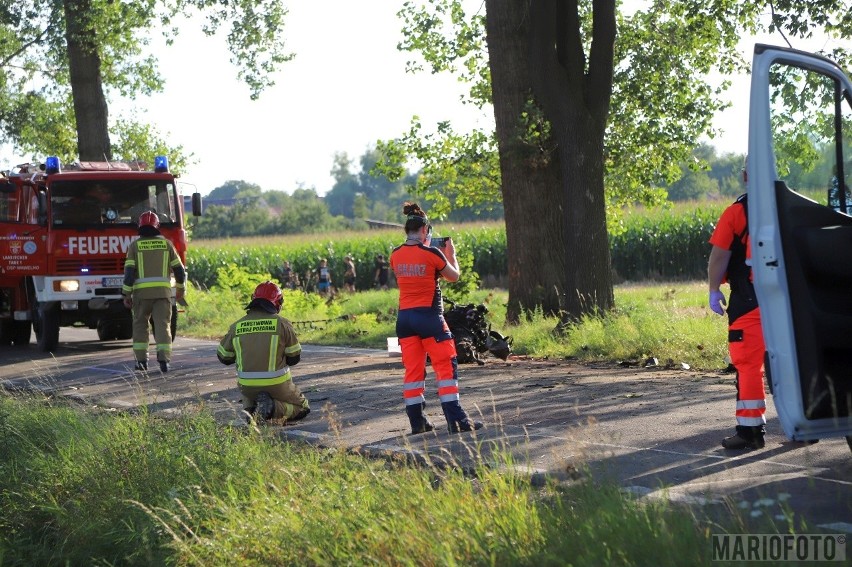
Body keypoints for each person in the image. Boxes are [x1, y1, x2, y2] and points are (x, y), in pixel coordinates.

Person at [390, 202, 483, 435]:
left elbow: (411, 267)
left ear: (407, 230)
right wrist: (451, 255)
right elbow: (454, 276)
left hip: (404, 320)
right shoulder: (433, 253)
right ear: (425, 231)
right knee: (445, 366)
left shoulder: (395, 254)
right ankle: (457, 420)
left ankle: (417, 422)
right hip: (429, 318)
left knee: (413, 371)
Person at [707, 162, 766, 450]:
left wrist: (713, 289)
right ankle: (805, 426)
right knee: (789, 363)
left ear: (745, 175)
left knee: (748, 366)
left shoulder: (736, 212)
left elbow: (719, 257)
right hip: (789, 302)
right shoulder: (788, 207)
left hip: (750, 301)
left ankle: (750, 431)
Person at [217, 281, 310, 424]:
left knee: (250, 390)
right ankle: (272, 407)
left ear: (253, 299)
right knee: (302, 407)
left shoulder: (237, 326)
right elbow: (294, 357)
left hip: (247, 386)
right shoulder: (282, 324)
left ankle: (252, 410)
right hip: (278, 384)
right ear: (277, 302)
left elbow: (224, 357)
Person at [122, 211, 186, 372]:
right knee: (163, 326)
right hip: (163, 294)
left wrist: (126, 294)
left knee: (140, 326)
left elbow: (129, 275)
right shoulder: (167, 245)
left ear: (140, 227)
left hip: (141, 296)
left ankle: (141, 362)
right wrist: (180, 289)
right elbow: (179, 271)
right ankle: (164, 361)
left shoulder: (134, 247)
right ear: (157, 226)